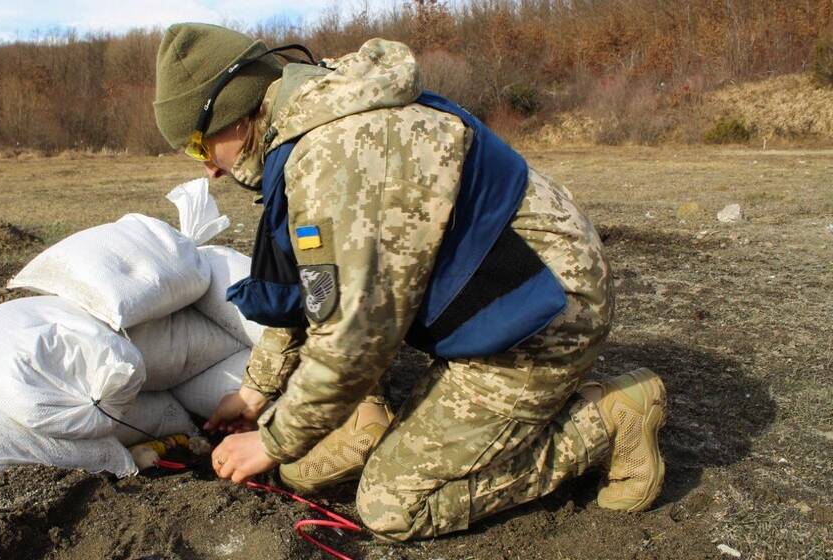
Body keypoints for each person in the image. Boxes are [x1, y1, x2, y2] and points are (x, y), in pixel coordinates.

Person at [152, 22, 668, 542]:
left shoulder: (333, 157)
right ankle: (369, 421)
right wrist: (255, 393)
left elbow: (351, 337)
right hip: (500, 292)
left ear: (233, 116)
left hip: (545, 316)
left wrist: (272, 443)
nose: (210, 172)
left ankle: (608, 421)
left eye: (199, 147)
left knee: (394, 507)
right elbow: (318, 291)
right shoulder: (312, 115)